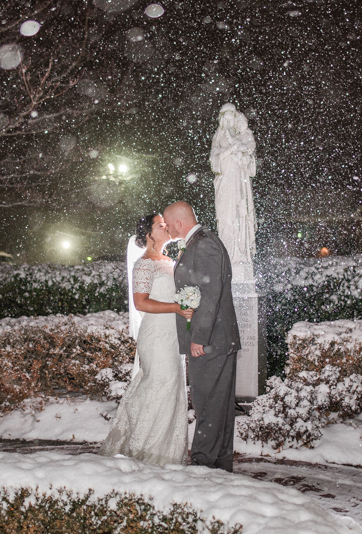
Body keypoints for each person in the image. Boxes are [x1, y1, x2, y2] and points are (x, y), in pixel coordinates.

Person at [99, 213, 193, 466]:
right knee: (159, 384)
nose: (166, 228)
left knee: (171, 388)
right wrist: (175, 307)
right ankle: (145, 450)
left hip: (172, 336)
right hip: (155, 336)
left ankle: (167, 452)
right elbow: (141, 303)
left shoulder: (169, 260)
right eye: (161, 225)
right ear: (149, 234)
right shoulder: (144, 264)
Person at [162, 201, 241, 472]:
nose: (167, 228)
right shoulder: (198, 241)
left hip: (211, 341)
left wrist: (199, 337)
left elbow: (210, 294)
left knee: (208, 403)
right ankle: (219, 463)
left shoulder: (204, 244)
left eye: (168, 223)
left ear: (179, 223)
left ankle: (202, 465)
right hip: (217, 339)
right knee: (217, 404)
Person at [210, 103, 257, 265]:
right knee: (225, 218)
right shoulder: (219, 138)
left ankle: (240, 255)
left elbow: (251, 166)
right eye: (226, 121)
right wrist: (229, 150)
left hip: (239, 183)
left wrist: (247, 159)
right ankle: (228, 253)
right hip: (225, 184)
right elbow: (214, 161)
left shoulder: (241, 137)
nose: (229, 125)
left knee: (239, 215)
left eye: (232, 121)